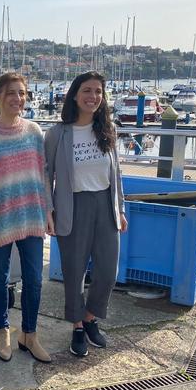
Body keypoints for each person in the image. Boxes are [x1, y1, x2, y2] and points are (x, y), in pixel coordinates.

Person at [44, 70, 128, 358]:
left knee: (107, 271)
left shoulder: (108, 129)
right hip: (73, 205)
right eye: (87, 91)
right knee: (74, 271)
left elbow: (116, 174)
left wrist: (121, 208)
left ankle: (91, 317)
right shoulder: (58, 133)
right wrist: (49, 211)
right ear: (75, 95)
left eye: (98, 92)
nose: (93, 97)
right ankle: (78, 325)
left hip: (106, 205)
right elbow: (47, 175)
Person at [0, 73, 54, 363]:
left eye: (21, 93)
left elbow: (44, 175)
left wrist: (48, 211)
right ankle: (3, 330)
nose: (17, 99)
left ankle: (29, 335)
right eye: (10, 93)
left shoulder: (34, 131)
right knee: (0, 279)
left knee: (34, 279)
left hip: (31, 216)